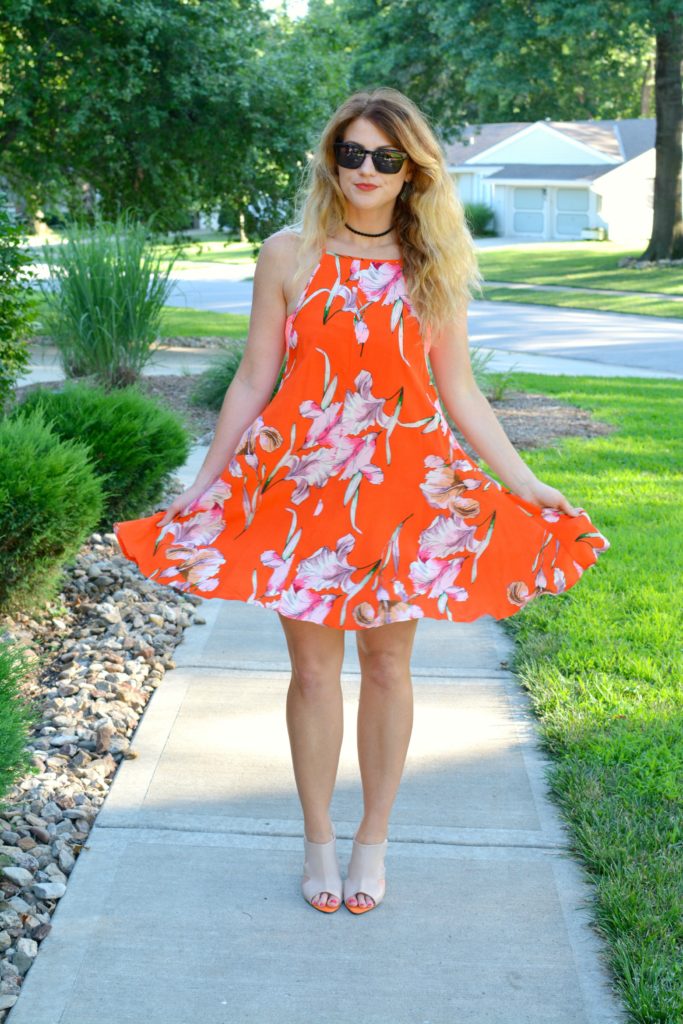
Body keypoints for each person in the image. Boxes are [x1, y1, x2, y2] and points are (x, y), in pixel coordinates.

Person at [113, 87, 610, 917]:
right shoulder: (288, 254)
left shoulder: (432, 262)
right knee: (311, 672)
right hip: (301, 489)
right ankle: (316, 838)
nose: (366, 170)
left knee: (386, 665)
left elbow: (459, 391)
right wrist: (205, 478)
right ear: (330, 158)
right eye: (352, 153)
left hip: (403, 493)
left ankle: (372, 839)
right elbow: (252, 378)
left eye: (386, 157)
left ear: (412, 168)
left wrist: (523, 482)